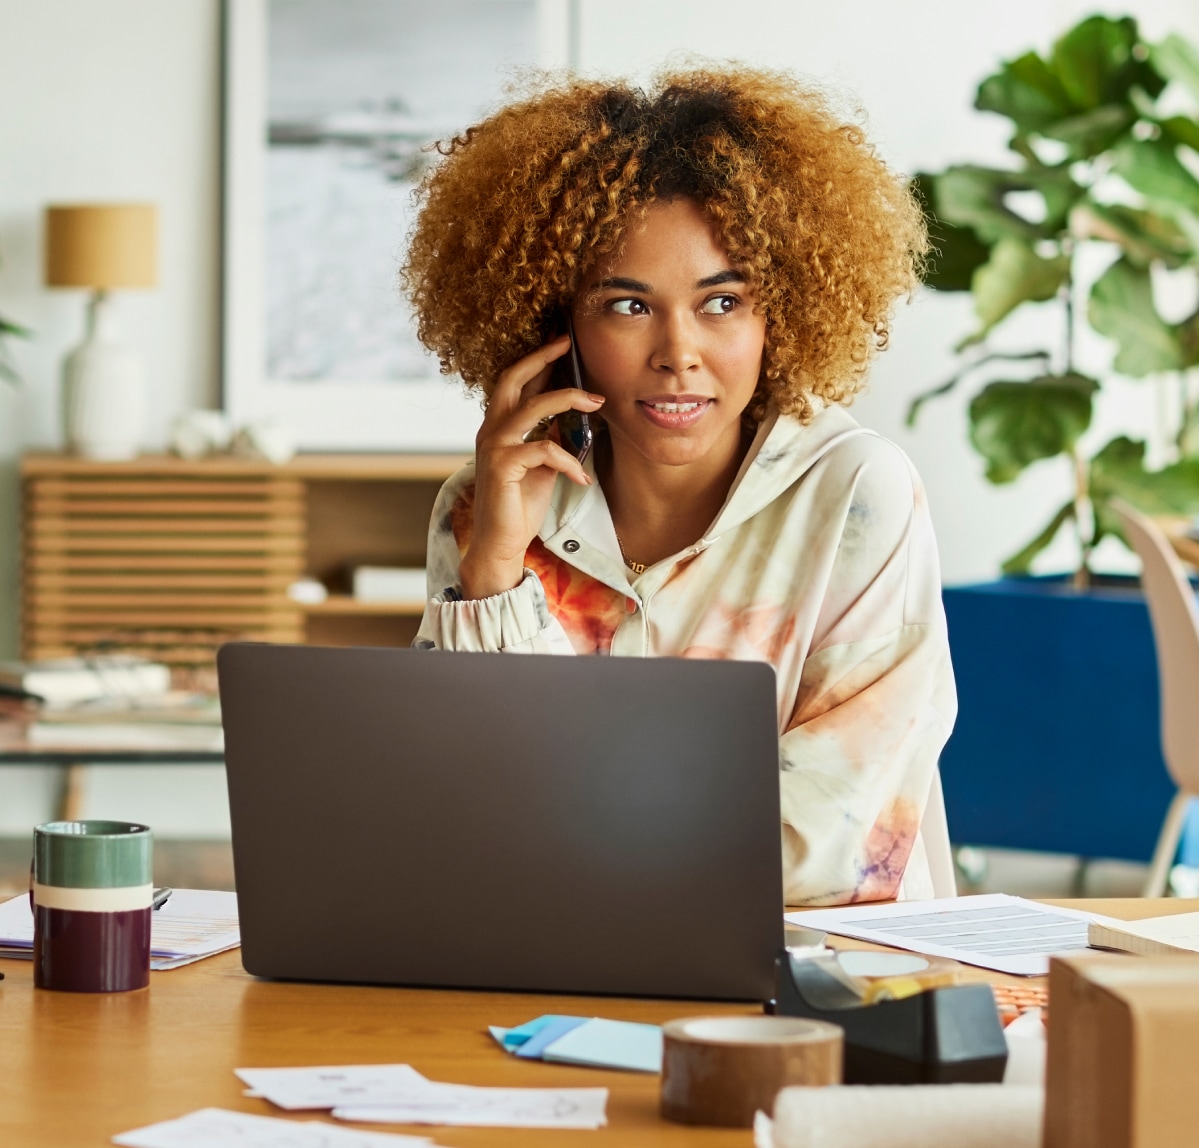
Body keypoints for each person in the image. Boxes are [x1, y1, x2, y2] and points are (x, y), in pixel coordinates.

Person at [403, 66, 957, 906]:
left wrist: (561, 838)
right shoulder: (486, 509)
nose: (678, 352)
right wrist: (493, 579)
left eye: (722, 301)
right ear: (557, 328)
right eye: (627, 306)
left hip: (819, 975)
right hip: (552, 956)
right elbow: (451, 806)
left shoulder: (856, 494)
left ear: (782, 312)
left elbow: (826, 843)